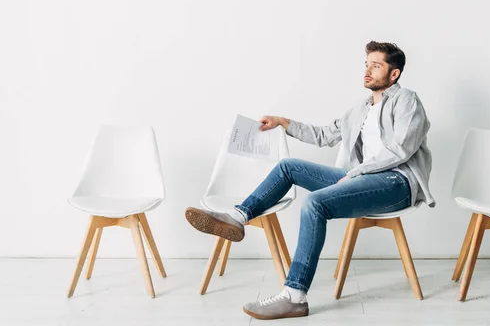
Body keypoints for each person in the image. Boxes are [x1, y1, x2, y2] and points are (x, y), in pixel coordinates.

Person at [185, 41, 435, 320]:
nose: (368, 70)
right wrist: (283, 122)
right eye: (366, 64)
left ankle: (294, 297)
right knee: (288, 167)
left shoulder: (407, 100)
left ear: (394, 74)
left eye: (376, 65)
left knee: (315, 203)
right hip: (361, 179)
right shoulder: (359, 110)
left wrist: (353, 174)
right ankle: (237, 216)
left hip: (396, 183)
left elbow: (400, 149)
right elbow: (324, 135)